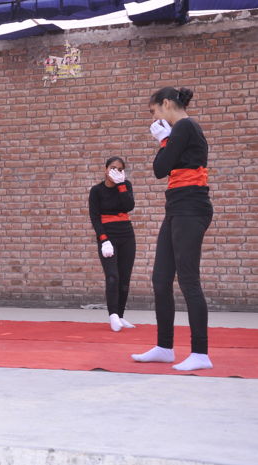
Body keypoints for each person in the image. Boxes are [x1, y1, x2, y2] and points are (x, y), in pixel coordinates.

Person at [132, 87, 214, 371]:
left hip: (191, 208)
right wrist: (167, 142)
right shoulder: (180, 131)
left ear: (166, 103)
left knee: (188, 279)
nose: (153, 117)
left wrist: (164, 140)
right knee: (160, 279)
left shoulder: (184, 127)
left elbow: (159, 168)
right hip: (177, 208)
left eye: (153, 110)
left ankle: (200, 353)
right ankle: (165, 347)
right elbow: (164, 167)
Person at [88, 157, 136, 332]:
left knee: (124, 277)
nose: (116, 172)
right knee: (112, 276)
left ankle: (121, 315)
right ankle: (113, 315)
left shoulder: (126, 185)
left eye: (120, 169)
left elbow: (129, 206)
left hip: (126, 234)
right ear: (106, 169)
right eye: (113, 168)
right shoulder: (96, 191)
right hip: (108, 236)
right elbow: (95, 217)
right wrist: (103, 239)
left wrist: (121, 185)